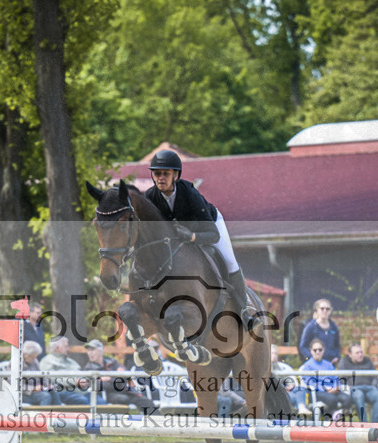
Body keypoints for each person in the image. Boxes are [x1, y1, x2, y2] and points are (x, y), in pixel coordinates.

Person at [144, 149, 257, 323]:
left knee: (229, 262)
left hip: (210, 225)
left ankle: (245, 311)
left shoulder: (189, 193)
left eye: (166, 173)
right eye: (157, 173)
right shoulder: (150, 197)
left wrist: (192, 237)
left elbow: (213, 235)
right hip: (178, 238)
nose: (160, 178)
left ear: (176, 175)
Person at [82, 339, 155, 412]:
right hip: (107, 394)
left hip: (124, 390)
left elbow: (125, 377)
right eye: (88, 350)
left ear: (101, 351)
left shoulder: (112, 362)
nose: (90, 353)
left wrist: (109, 379)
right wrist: (116, 378)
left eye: (92, 350)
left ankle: (156, 418)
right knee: (123, 398)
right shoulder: (89, 368)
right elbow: (97, 385)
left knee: (145, 401)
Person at [299, 340, 353, 421]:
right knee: (332, 399)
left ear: (323, 350)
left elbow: (335, 378)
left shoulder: (328, 364)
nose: (318, 352)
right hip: (317, 392)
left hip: (333, 390)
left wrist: (336, 388)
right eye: (315, 350)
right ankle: (331, 419)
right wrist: (326, 389)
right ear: (311, 351)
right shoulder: (307, 366)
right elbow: (309, 382)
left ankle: (338, 415)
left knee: (347, 399)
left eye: (320, 349)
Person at [338, 342, 378, 423]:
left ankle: (375, 424)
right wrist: (347, 387)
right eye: (357, 353)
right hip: (354, 389)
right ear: (350, 354)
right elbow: (341, 378)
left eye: (361, 352)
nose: (360, 355)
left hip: (369, 388)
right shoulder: (344, 362)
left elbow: (374, 376)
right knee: (359, 395)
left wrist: (374, 386)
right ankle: (364, 424)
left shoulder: (367, 361)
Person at [39, 337, 90, 405]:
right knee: (83, 401)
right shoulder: (47, 361)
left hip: (82, 391)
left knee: (100, 401)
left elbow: (81, 374)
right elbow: (52, 378)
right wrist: (74, 382)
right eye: (66, 346)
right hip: (62, 391)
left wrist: (85, 381)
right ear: (57, 348)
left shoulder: (71, 362)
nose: (68, 349)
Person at [298, 299, 341, 365]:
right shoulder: (310, 327)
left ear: (330, 311)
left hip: (330, 364)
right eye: (322, 308)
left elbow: (337, 345)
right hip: (315, 365)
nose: (325, 311)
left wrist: (336, 357)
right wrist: (312, 358)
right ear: (317, 310)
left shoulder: (334, 327)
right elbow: (303, 347)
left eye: (327, 309)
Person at [270, 344, 309, 416]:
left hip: (285, 394)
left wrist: (290, 385)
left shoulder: (282, 367)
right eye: (272, 353)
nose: (274, 355)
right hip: (272, 396)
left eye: (275, 353)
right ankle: (296, 412)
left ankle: (301, 408)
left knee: (300, 389)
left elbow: (288, 379)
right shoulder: (264, 369)